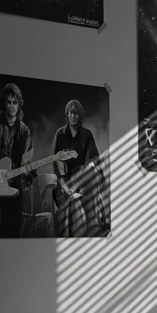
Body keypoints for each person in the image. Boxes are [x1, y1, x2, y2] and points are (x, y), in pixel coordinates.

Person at [0, 82, 34, 238]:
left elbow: (25, 162)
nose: (12, 106)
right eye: (9, 102)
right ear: (4, 103)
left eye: (15, 103)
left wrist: (28, 171)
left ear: (19, 104)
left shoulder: (25, 130)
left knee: (13, 231)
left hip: (14, 183)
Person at [52, 99, 107, 237]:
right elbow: (56, 160)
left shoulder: (87, 134)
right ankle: (93, 223)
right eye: (71, 112)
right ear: (67, 113)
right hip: (67, 180)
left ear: (80, 115)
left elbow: (95, 158)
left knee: (93, 171)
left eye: (76, 113)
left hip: (84, 177)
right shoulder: (60, 133)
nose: (73, 116)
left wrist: (100, 176)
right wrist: (61, 181)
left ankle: (92, 224)